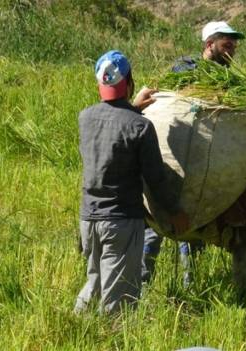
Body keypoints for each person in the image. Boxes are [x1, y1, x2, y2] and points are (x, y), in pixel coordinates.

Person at [75, 50, 189, 314]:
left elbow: (114, 132)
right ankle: (112, 340)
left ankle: (75, 332)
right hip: (120, 222)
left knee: (94, 283)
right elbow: (156, 179)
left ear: (99, 83)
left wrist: (132, 107)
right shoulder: (140, 127)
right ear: (130, 82)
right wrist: (175, 212)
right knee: (119, 299)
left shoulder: (85, 118)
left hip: (88, 219)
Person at [142, 21, 245, 286]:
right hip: (175, 152)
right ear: (209, 44)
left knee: (195, 220)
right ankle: (140, 283)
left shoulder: (232, 79)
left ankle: (191, 285)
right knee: (157, 219)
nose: (232, 47)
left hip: (204, 159)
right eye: (226, 42)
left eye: (234, 43)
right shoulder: (186, 66)